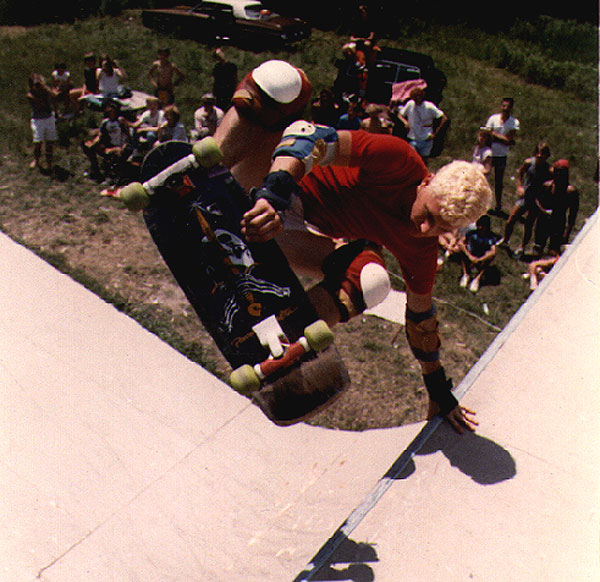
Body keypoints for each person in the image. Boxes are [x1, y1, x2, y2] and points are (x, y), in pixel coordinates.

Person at [212, 60, 492, 433]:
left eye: (443, 228)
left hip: (284, 229)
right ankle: (196, 176)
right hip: (263, 174)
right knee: (284, 82)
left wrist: (438, 387)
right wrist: (272, 196)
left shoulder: (421, 250)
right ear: (426, 182)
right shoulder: (399, 160)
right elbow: (308, 138)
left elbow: (421, 321)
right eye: (429, 213)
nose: (425, 229)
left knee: (371, 279)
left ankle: (273, 343)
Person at [500, 142, 552, 258]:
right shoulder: (529, 163)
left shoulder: (548, 170)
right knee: (511, 219)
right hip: (525, 197)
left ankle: (522, 247)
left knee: (528, 224)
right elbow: (520, 172)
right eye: (538, 152)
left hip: (535, 201)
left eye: (542, 153)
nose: (539, 155)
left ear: (547, 155)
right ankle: (505, 240)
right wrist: (519, 186)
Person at [533, 159, 579, 255]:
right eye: (557, 171)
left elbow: (572, 215)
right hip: (544, 220)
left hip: (558, 222)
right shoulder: (547, 186)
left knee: (554, 251)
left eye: (562, 172)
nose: (559, 175)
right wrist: (544, 211)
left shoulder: (571, 192)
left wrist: (567, 232)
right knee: (538, 247)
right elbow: (536, 200)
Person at [81, 100, 131, 184]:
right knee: (88, 146)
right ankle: (96, 171)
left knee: (116, 154)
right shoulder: (105, 122)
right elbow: (100, 136)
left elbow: (127, 136)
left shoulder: (120, 121)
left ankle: (114, 176)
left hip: (121, 146)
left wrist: (123, 147)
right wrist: (93, 144)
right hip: (110, 145)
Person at [485, 97, 520, 215]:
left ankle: (498, 206)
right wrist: (505, 140)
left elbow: (508, 139)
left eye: (507, 106)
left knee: (498, 181)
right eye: (503, 106)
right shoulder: (493, 118)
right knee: (483, 179)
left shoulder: (514, 122)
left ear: (511, 108)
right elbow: (485, 133)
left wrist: (494, 134)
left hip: (501, 155)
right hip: (489, 153)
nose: (505, 108)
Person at [396, 86, 449, 163]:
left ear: (422, 96)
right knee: (413, 159)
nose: (416, 100)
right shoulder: (410, 104)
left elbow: (444, 118)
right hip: (413, 138)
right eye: (414, 98)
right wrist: (405, 122)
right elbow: (400, 115)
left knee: (424, 161)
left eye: (418, 98)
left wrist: (435, 133)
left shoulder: (429, 106)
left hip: (426, 138)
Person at [458, 214, 499, 292]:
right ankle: (466, 274)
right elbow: (460, 243)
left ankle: (477, 279)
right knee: (462, 249)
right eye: (479, 225)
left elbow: (494, 251)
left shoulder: (491, 237)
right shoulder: (471, 233)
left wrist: (480, 259)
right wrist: (469, 255)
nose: (480, 228)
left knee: (490, 256)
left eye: (483, 226)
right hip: (471, 253)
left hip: (481, 256)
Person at [27, 73, 57, 171]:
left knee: (50, 142)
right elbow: (41, 103)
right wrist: (45, 92)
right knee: (38, 142)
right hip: (38, 120)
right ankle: (36, 160)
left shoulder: (45, 91)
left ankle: (49, 162)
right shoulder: (30, 95)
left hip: (49, 118)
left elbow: (55, 96)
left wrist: (46, 89)